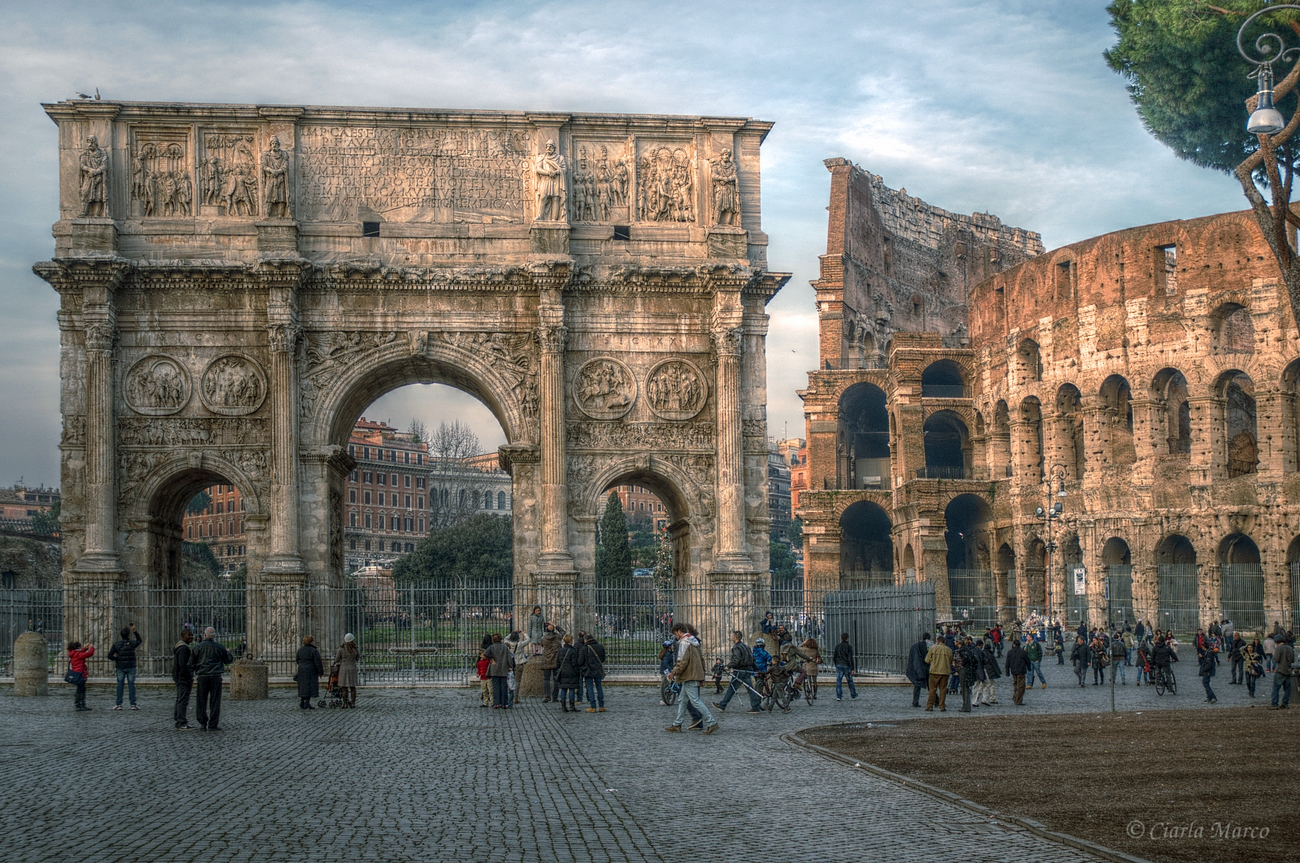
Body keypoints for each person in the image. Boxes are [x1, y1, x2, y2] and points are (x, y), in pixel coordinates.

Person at [665, 623, 718, 734]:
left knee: (695, 701)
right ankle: (677, 724)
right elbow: (701, 659)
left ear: (679, 631)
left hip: (689, 675)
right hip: (694, 674)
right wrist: (702, 674)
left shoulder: (684, 643)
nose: (676, 636)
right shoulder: (694, 641)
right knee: (682, 700)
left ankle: (712, 722)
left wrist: (673, 673)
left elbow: (682, 662)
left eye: (675, 634)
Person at [190, 627, 232, 731]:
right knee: (215, 701)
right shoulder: (219, 647)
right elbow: (227, 661)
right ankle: (213, 724)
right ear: (214, 637)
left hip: (202, 676)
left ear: (204, 635)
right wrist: (229, 652)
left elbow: (191, 663)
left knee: (201, 701)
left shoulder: (197, 647)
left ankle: (202, 722)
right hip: (215, 676)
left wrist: (197, 669)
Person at [714, 630, 760, 713]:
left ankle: (722, 705)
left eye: (732, 636)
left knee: (732, 688)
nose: (731, 637)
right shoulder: (746, 646)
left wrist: (728, 666)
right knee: (750, 689)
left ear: (735, 638)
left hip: (740, 670)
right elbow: (752, 659)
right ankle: (755, 707)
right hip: (747, 670)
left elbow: (737, 659)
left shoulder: (736, 647)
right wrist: (755, 669)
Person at [108, 624, 143, 710]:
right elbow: (139, 641)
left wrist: (115, 657)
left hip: (120, 666)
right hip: (131, 666)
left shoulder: (116, 644)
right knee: (131, 685)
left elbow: (109, 656)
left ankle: (119, 704)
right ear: (128, 635)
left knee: (120, 685)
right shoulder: (131, 643)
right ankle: (133, 704)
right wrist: (135, 631)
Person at [173, 627, 196, 728]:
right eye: (189, 635)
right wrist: (188, 675)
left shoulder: (181, 647)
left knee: (180, 698)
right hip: (183, 677)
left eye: (192, 635)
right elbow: (183, 665)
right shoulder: (184, 649)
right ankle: (181, 720)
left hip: (179, 676)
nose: (191, 637)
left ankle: (178, 717)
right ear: (183, 636)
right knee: (183, 699)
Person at [924, 635, 953, 712]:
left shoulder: (932, 648)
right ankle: (942, 706)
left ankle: (930, 705)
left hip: (934, 671)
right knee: (943, 690)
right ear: (944, 642)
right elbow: (951, 660)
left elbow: (926, 660)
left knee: (932, 689)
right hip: (945, 672)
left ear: (937, 641)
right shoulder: (949, 650)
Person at [484, 633, 513, 710]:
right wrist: (510, 666)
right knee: (504, 687)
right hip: (504, 668)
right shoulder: (505, 647)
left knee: (495, 687)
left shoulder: (492, 647)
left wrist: (491, 659)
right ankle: (504, 703)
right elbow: (508, 657)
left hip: (494, 669)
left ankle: (496, 703)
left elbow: (485, 653)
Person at [580, 634, 607, 712]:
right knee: (599, 686)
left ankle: (593, 706)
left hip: (588, 670)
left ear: (586, 640)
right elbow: (603, 659)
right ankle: (601, 705)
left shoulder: (584, 648)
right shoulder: (600, 647)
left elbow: (580, 661)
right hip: (598, 669)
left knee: (590, 687)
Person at [295, 635, 324, 710]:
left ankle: (302, 701)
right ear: (311, 642)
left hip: (301, 669)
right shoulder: (313, 651)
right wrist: (320, 672)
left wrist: (302, 665)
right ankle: (307, 703)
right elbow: (318, 662)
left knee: (302, 686)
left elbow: (297, 659)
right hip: (311, 670)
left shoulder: (300, 650)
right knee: (309, 686)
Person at [555, 634, 581, 712]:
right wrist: (577, 671)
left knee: (563, 689)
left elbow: (558, 662)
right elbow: (574, 663)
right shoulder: (573, 651)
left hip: (563, 672)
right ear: (571, 641)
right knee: (571, 689)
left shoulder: (560, 650)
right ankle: (572, 706)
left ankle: (563, 706)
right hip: (571, 672)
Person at [67, 640, 94, 711]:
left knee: (80, 689)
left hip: (76, 673)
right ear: (78, 647)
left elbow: (81, 652)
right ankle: (80, 704)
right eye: (81, 646)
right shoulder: (78, 654)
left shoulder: (73, 653)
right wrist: (91, 647)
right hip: (80, 673)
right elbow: (89, 654)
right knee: (81, 690)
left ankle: (79, 704)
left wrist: (85, 647)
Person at [335, 633, 360, 708]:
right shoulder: (355, 648)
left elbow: (337, 659)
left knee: (344, 687)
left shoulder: (341, 648)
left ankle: (345, 703)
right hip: (352, 667)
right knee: (352, 686)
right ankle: (353, 703)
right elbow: (357, 658)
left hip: (344, 668)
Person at [906, 633, 930, 707]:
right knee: (930, 686)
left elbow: (913, 659)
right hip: (928, 668)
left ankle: (915, 701)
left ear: (922, 637)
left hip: (919, 668)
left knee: (917, 686)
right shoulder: (931, 646)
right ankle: (936, 700)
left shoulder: (916, 646)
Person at [1270, 633, 1294, 710]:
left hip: (1280, 670)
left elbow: (1276, 659)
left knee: (1276, 688)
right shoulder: (1290, 648)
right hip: (1288, 670)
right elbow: (1292, 660)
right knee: (1287, 689)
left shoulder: (1279, 648)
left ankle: (1274, 704)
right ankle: (1285, 703)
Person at [832, 633, 858, 701]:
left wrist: (836, 664)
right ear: (847, 638)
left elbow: (834, 657)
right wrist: (852, 668)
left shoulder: (837, 646)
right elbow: (850, 658)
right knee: (850, 681)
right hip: (846, 665)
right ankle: (853, 695)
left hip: (839, 664)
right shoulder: (849, 647)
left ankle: (839, 696)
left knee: (838, 681)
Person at [540, 623, 562, 703]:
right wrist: (556, 626)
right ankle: (555, 697)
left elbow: (542, 645)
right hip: (556, 659)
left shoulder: (543, 638)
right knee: (556, 679)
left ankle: (547, 695)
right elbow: (563, 632)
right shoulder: (558, 637)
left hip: (546, 660)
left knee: (546, 679)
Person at [957, 637, 980, 712]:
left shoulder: (962, 649)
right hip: (968, 670)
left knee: (965, 688)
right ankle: (966, 706)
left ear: (958, 642)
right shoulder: (966, 649)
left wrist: (961, 664)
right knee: (965, 688)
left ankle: (966, 706)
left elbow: (966, 658)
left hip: (964, 670)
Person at [1004, 637, 1029, 705]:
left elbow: (1007, 663)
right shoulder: (1023, 652)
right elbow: (1027, 661)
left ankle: (1015, 697)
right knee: (1021, 685)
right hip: (1021, 670)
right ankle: (1018, 699)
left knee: (1015, 684)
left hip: (1013, 670)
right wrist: (1029, 668)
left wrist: (1007, 672)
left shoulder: (1010, 652)